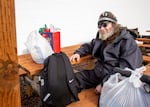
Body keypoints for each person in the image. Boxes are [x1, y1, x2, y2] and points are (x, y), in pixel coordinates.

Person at [70, 11, 143, 94]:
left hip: (115, 78)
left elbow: (126, 69)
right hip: (99, 72)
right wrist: (78, 53)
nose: (101, 28)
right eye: (99, 25)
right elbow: (90, 45)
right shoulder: (102, 37)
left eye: (105, 25)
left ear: (114, 25)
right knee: (74, 80)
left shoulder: (126, 41)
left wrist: (104, 84)